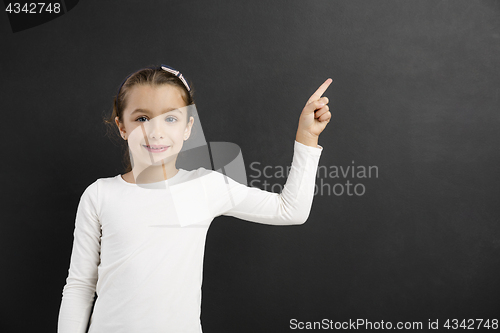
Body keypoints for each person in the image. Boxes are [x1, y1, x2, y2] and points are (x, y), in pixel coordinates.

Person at [57, 64, 332, 333]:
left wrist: (306, 137)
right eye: (142, 118)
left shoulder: (204, 187)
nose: (156, 131)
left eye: (171, 118)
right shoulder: (100, 194)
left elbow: (290, 210)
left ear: (188, 127)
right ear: (122, 126)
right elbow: (80, 285)